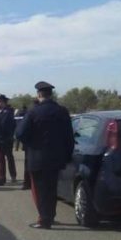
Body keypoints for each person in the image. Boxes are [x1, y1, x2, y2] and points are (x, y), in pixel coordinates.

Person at [16, 81, 74, 229]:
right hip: (56, 157)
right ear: (51, 94)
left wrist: (31, 142)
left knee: (40, 189)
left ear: (39, 94)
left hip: (37, 157)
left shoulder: (34, 112)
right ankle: (51, 215)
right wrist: (67, 155)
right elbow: (69, 136)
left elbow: (20, 133)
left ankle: (44, 219)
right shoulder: (62, 111)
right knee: (52, 188)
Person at [0, 94, 17, 186]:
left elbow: (3, 125)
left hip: (4, 139)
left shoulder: (8, 112)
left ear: (4, 102)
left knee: (7, 157)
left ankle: (4, 176)